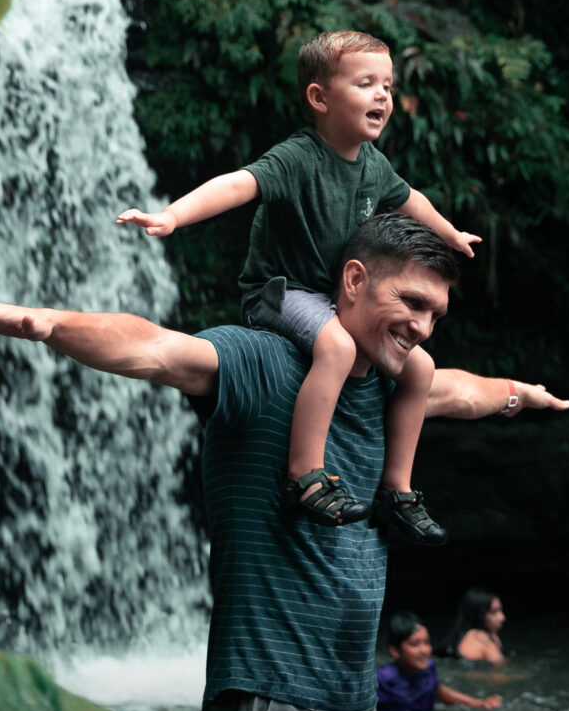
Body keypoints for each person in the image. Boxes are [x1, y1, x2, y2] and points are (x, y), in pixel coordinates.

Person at [0, 213, 569, 711]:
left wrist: (522, 393)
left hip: (352, 702)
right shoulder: (263, 362)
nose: (423, 326)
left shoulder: (391, 389)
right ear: (354, 280)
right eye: (411, 302)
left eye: (436, 314)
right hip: (274, 697)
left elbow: (463, 392)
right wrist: (45, 324)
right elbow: (154, 347)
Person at [116, 30, 478, 544]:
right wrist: (172, 217)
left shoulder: (373, 165)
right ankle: (305, 475)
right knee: (336, 345)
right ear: (319, 97)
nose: (383, 96)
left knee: (420, 367)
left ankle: (396, 489)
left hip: (331, 296)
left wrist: (450, 233)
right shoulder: (298, 157)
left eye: (389, 87)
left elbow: (411, 199)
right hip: (279, 292)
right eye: (366, 83)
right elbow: (238, 184)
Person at [377, 610, 502, 711]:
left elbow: (436, 691)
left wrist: (479, 703)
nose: (424, 650)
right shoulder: (382, 679)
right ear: (395, 651)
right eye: (414, 644)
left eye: (427, 643)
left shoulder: (428, 668)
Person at [436, 587, 508, 663]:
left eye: (500, 610)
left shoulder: (461, 637)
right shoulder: (482, 638)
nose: (502, 617)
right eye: (494, 612)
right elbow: (500, 669)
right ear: (478, 614)